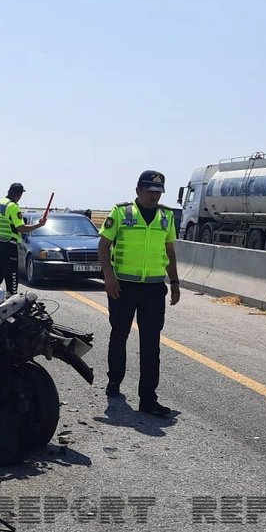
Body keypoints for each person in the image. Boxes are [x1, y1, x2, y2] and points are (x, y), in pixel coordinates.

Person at [98, 170, 180, 417]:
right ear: (138, 191)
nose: (154, 196)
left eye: (158, 192)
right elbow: (103, 245)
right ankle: (114, 381)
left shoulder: (166, 216)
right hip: (123, 287)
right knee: (119, 335)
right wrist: (109, 276)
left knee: (151, 343)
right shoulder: (121, 212)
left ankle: (148, 398)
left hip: (153, 289)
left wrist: (175, 282)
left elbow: (169, 250)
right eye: (150, 191)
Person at [0, 183, 46, 294]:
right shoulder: (13, 207)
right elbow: (21, 228)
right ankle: (12, 300)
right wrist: (39, 225)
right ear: (19, 195)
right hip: (9, 246)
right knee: (12, 277)